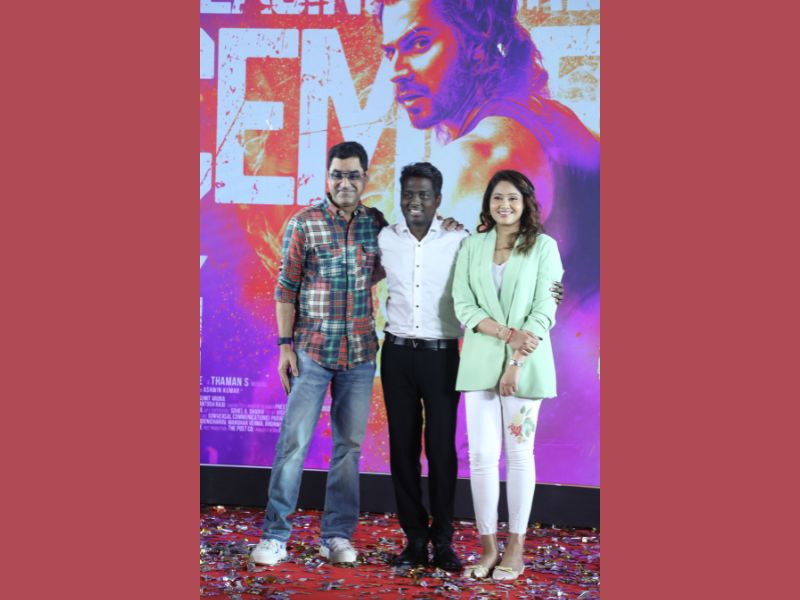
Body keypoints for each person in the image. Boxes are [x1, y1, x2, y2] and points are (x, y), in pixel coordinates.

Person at [250, 141, 387, 567]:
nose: (345, 182)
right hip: (311, 353)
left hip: (360, 355)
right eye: (337, 174)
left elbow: (394, 267)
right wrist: (284, 346)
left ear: (365, 178)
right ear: (327, 178)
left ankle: (336, 536)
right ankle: (275, 536)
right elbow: (286, 287)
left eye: (353, 175)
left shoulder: (377, 225)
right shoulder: (304, 223)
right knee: (293, 443)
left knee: (348, 447)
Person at [375, 0, 599, 230]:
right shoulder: (551, 117)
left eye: (419, 43)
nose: (395, 72)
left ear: (477, 41)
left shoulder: (473, 161)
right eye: (390, 53)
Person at [452, 170, 563, 581]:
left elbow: (545, 309)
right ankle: (487, 548)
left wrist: (515, 359)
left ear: (525, 203)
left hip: (526, 364)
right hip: (479, 361)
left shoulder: (543, 247)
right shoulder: (472, 245)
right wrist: (503, 333)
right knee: (481, 457)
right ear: (488, 203)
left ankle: (515, 546)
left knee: (519, 454)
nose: (505, 205)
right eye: (498, 198)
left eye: (513, 198)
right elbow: (462, 302)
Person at [378, 162, 468, 572]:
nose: (415, 202)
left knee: (442, 450)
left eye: (423, 195)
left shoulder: (458, 239)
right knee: (403, 449)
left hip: (441, 355)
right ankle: (414, 539)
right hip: (397, 354)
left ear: (438, 200)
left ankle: (443, 540)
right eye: (408, 194)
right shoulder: (386, 238)